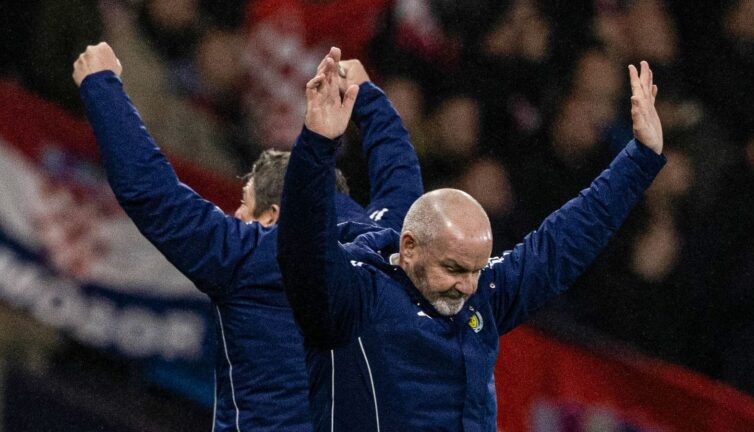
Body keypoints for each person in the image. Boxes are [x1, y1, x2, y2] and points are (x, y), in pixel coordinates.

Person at [277, 53, 666, 430]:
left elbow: (561, 243)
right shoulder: (353, 299)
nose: (467, 285)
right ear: (409, 249)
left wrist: (640, 159)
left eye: (477, 269)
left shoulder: (481, 295)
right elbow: (304, 242)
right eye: (454, 269)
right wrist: (317, 142)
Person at [73, 43, 422, 431]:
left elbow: (152, 193)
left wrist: (100, 85)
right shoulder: (386, 244)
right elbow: (401, 177)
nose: (237, 217)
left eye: (245, 205)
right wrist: (368, 100)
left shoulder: (252, 255)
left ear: (274, 215)